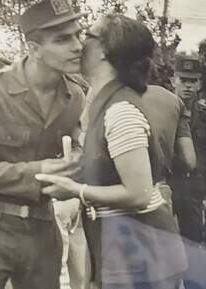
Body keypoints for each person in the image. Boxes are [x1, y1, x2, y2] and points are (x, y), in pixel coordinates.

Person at [36, 14, 189, 289]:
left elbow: (139, 193)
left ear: (106, 51)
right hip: (125, 247)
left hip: (143, 253)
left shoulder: (120, 111)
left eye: (89, 36)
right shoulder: (104, 103)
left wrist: (76, 190)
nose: (80, 43)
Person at [0, 0, 85, 289]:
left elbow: (75, 151)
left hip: (43, 229)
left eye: (78, 35)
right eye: (62, 39)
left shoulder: (74, 96)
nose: (76, 46)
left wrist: (71, 171)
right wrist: (36, 172)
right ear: (34, 48)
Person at [170, 55, 204, 244]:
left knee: (193, 242)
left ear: (199, 84)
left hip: (194, 188)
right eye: (183, 80)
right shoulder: (163, 110)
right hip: (168, 183)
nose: (188, 86)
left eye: (193, 81)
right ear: (173, 80)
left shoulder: (203, 115)